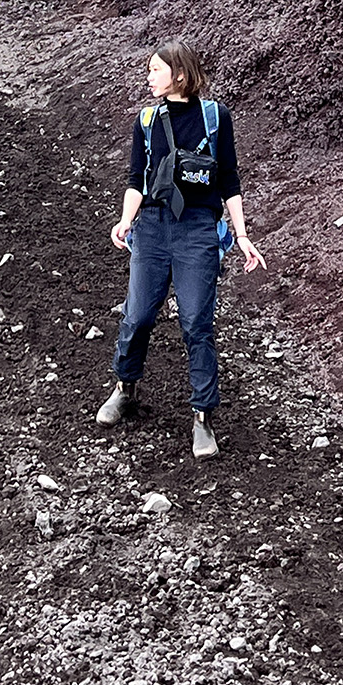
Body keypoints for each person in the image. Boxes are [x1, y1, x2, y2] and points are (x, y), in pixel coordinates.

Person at [97, 40, 265, 459]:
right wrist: (125, 219)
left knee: (196, 323)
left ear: (180, 74)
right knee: (136, 316)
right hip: (152, 229)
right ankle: (124, 388)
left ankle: (203, 418)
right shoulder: (147, 119)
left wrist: (241, 236)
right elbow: (137, 178)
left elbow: (229, 179)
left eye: (156, 70)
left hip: (197, 232)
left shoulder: (214, 117)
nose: (149, 76)